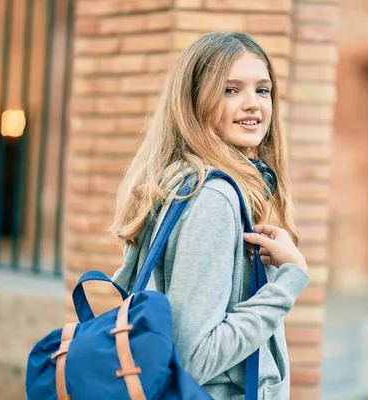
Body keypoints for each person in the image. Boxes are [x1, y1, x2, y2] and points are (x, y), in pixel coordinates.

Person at [110, 32, 309, 399]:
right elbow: (196, 358)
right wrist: (289, 281)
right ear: (194, 102)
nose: (253, 105)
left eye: (262, 90)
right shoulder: (212, 197)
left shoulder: (180, 180)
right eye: (230, 90)